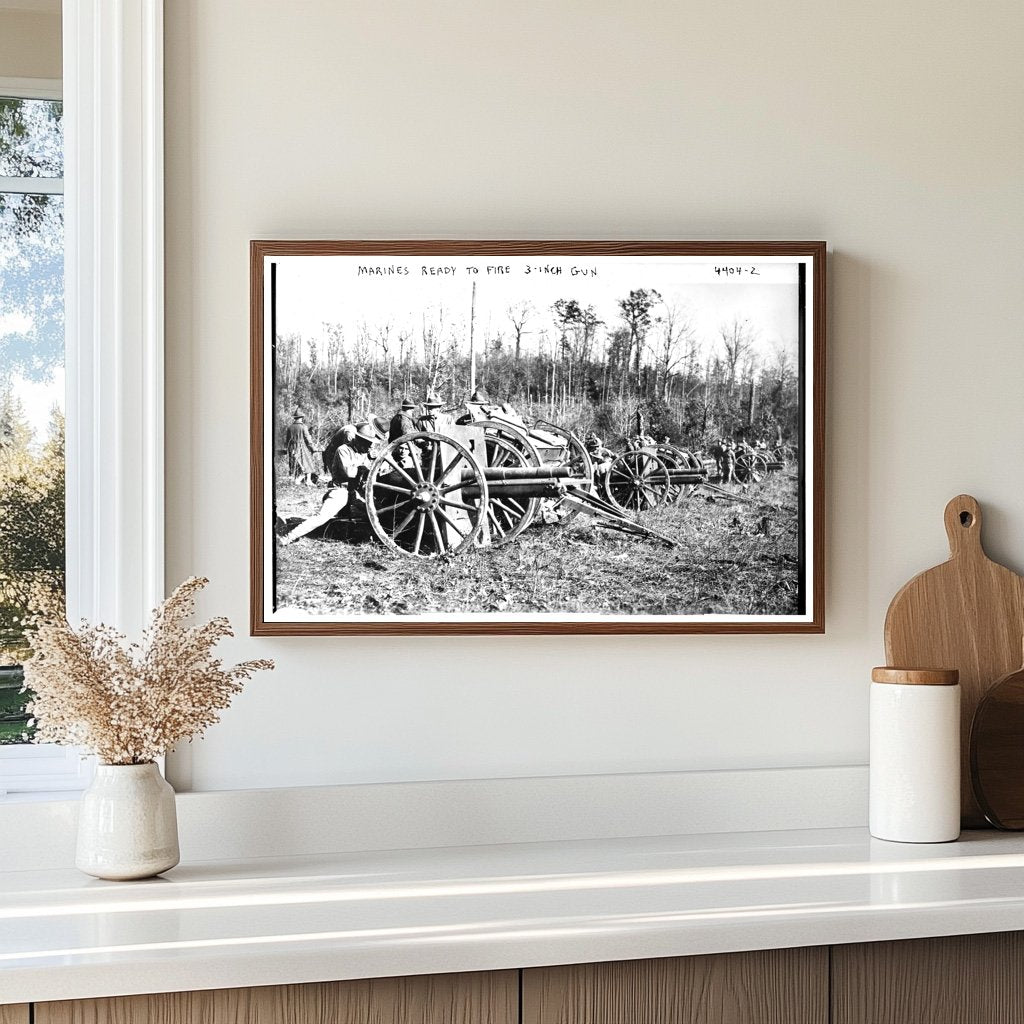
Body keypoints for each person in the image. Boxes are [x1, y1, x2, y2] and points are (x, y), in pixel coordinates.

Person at [279, 422, 377, 545]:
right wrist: (364, 467)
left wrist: (372, 461)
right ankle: (288, 537)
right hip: (340, 491)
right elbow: (349, 473)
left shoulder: (363, 453)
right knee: (321, 517)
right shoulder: (343, 450)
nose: (369, 447)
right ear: (358, 440)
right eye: (367, 443)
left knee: (375, 512)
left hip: (355, 492)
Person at [284, 411, 318, 486]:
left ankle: (298, 480)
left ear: (295, 418)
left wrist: (288, 449)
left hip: (292, 448)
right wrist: (313, 448)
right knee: (307, 464)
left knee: (295, 465)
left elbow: (287, 440)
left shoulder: (290, 427)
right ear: (301, 418)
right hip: (302, 447)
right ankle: (307, 481)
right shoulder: (303, 427)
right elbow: (308, 439)